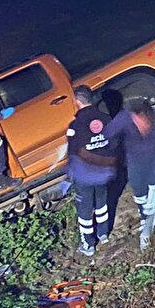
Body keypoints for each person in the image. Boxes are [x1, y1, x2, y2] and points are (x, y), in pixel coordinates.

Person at [105, 99, 155, 250]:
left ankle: (147, 232)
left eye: (141, 120)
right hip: (135, 161)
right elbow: (107, 135)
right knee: (139, 193)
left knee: (153, 193)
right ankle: (143, 218)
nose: (139, 125)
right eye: (135, 121)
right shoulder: (124, 119)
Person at [64, 85, 119, 257]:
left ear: (77, 102)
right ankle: (103, 234)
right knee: (102, 202)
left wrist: (68, 176)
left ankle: (88, 244)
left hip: (85, 176)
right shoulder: (106, 118)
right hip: (104, 172)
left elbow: (73, 152)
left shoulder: (75, 125)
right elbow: (114, 143)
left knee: (85, 210)